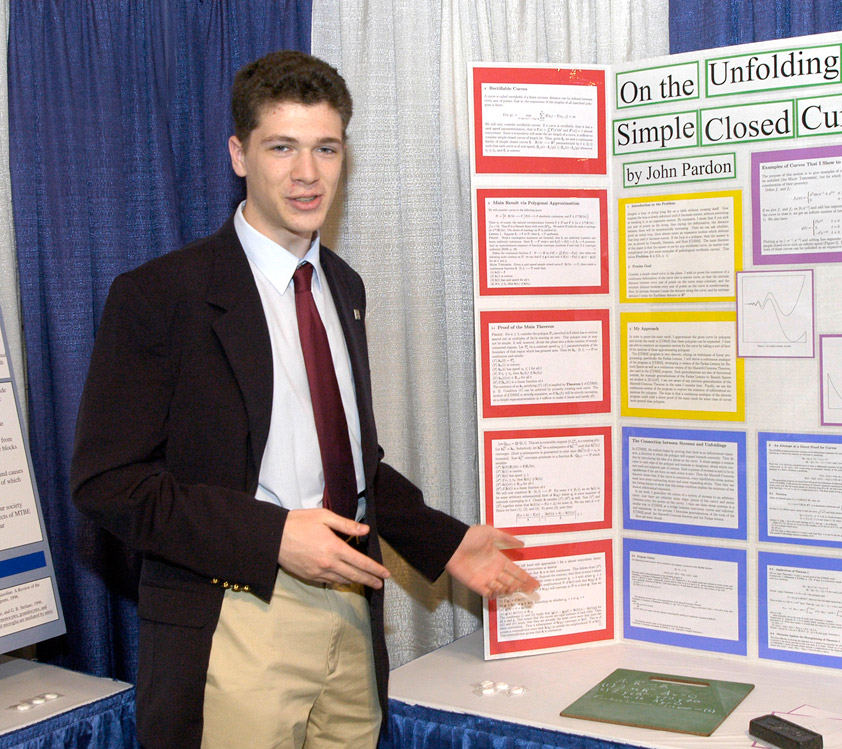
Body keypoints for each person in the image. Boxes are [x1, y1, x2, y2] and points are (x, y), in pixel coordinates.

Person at [70, 49, 538, 749]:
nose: (307, 173)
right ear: (239, 153)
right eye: (281, 147)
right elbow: (108, 483)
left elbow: (351, 460)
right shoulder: (161, 296)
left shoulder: (343, 288)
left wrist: (447, 543)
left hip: (350, 615)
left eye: (326, 147)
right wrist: (273, 535)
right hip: (234, 615)